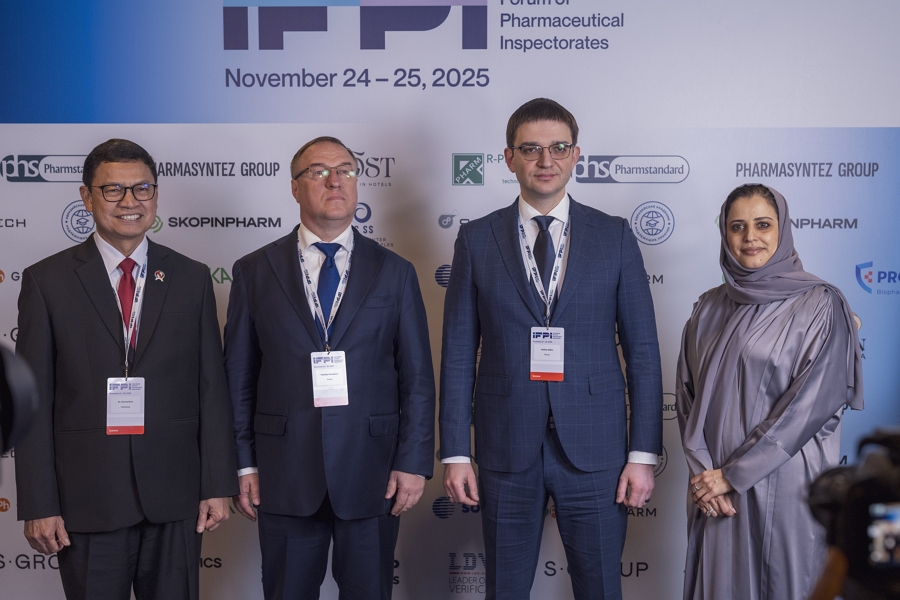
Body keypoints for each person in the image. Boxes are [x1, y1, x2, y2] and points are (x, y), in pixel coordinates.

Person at [440, 98, 663, 600]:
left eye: (559, 147)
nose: (546, 160)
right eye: (531, 149)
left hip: (597, 451)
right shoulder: (476, 240)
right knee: (505, 590)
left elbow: (643, 354)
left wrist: (643, 453)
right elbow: (457, 355)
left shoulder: (614, 236)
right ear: (509, 158)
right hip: (505, 448)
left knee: (600, 589)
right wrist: (455, 452)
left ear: (576, 155)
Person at [15, 138, 238, 600]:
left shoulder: (192, 277)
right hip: (86, 501)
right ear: (87, 196)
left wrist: (217, 483)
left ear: (155, 195)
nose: (130, 202)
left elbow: (211, 389)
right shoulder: (46, 281)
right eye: (113, 190)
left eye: (142, 188)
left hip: (175, 499)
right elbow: (32, 404)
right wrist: (39, 502)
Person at [224, 136, 435, 600]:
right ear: (295, 188)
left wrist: (413, 462)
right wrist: (243, 462)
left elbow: (417, 378)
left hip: (372, 472)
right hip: (283, 473)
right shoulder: (254, 271)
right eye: (319, 172)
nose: (335, 181)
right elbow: (238, 379)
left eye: (345, 170)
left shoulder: (395, 271)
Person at [675, 183, 864, 600]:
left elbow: (807, 408)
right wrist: (705, 475)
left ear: (783, 229)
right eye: (737, 226)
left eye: (763, 225)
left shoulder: (820, 303)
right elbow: (686, 399)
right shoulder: (708, 307)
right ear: (724, 233)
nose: (750, 238)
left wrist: (732, 476)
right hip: (714, 491)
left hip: (782, 482)